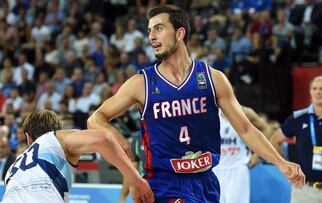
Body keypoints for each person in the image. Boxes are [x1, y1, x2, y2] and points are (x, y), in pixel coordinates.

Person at [87, 5, 305, 202]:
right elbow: (95, 119)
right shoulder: (141, 83)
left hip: (207, 182)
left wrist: (280, 162)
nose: (152, 36)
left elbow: (246, 129)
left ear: (180, 33)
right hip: (164, 184)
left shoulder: (213, 79)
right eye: (150, 31)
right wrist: (118, 139)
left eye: (159, 28)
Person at [2, 110, 154, 203]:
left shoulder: (12, 168)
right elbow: (103, 139)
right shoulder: (56, 138)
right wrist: (135, 181)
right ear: (58, 130)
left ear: (28, 138)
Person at [213, 107, 272, 203]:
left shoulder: (245, 112)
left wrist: (257, 155)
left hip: (238, 169)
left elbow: (267, 130)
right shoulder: (210, 112)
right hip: (216, 169)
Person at [119, 133, 146, 203]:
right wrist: (122, 197)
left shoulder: (171, 135)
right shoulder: (138, 138)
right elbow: (131, 172)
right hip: (147, 192)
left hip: (171, 191)